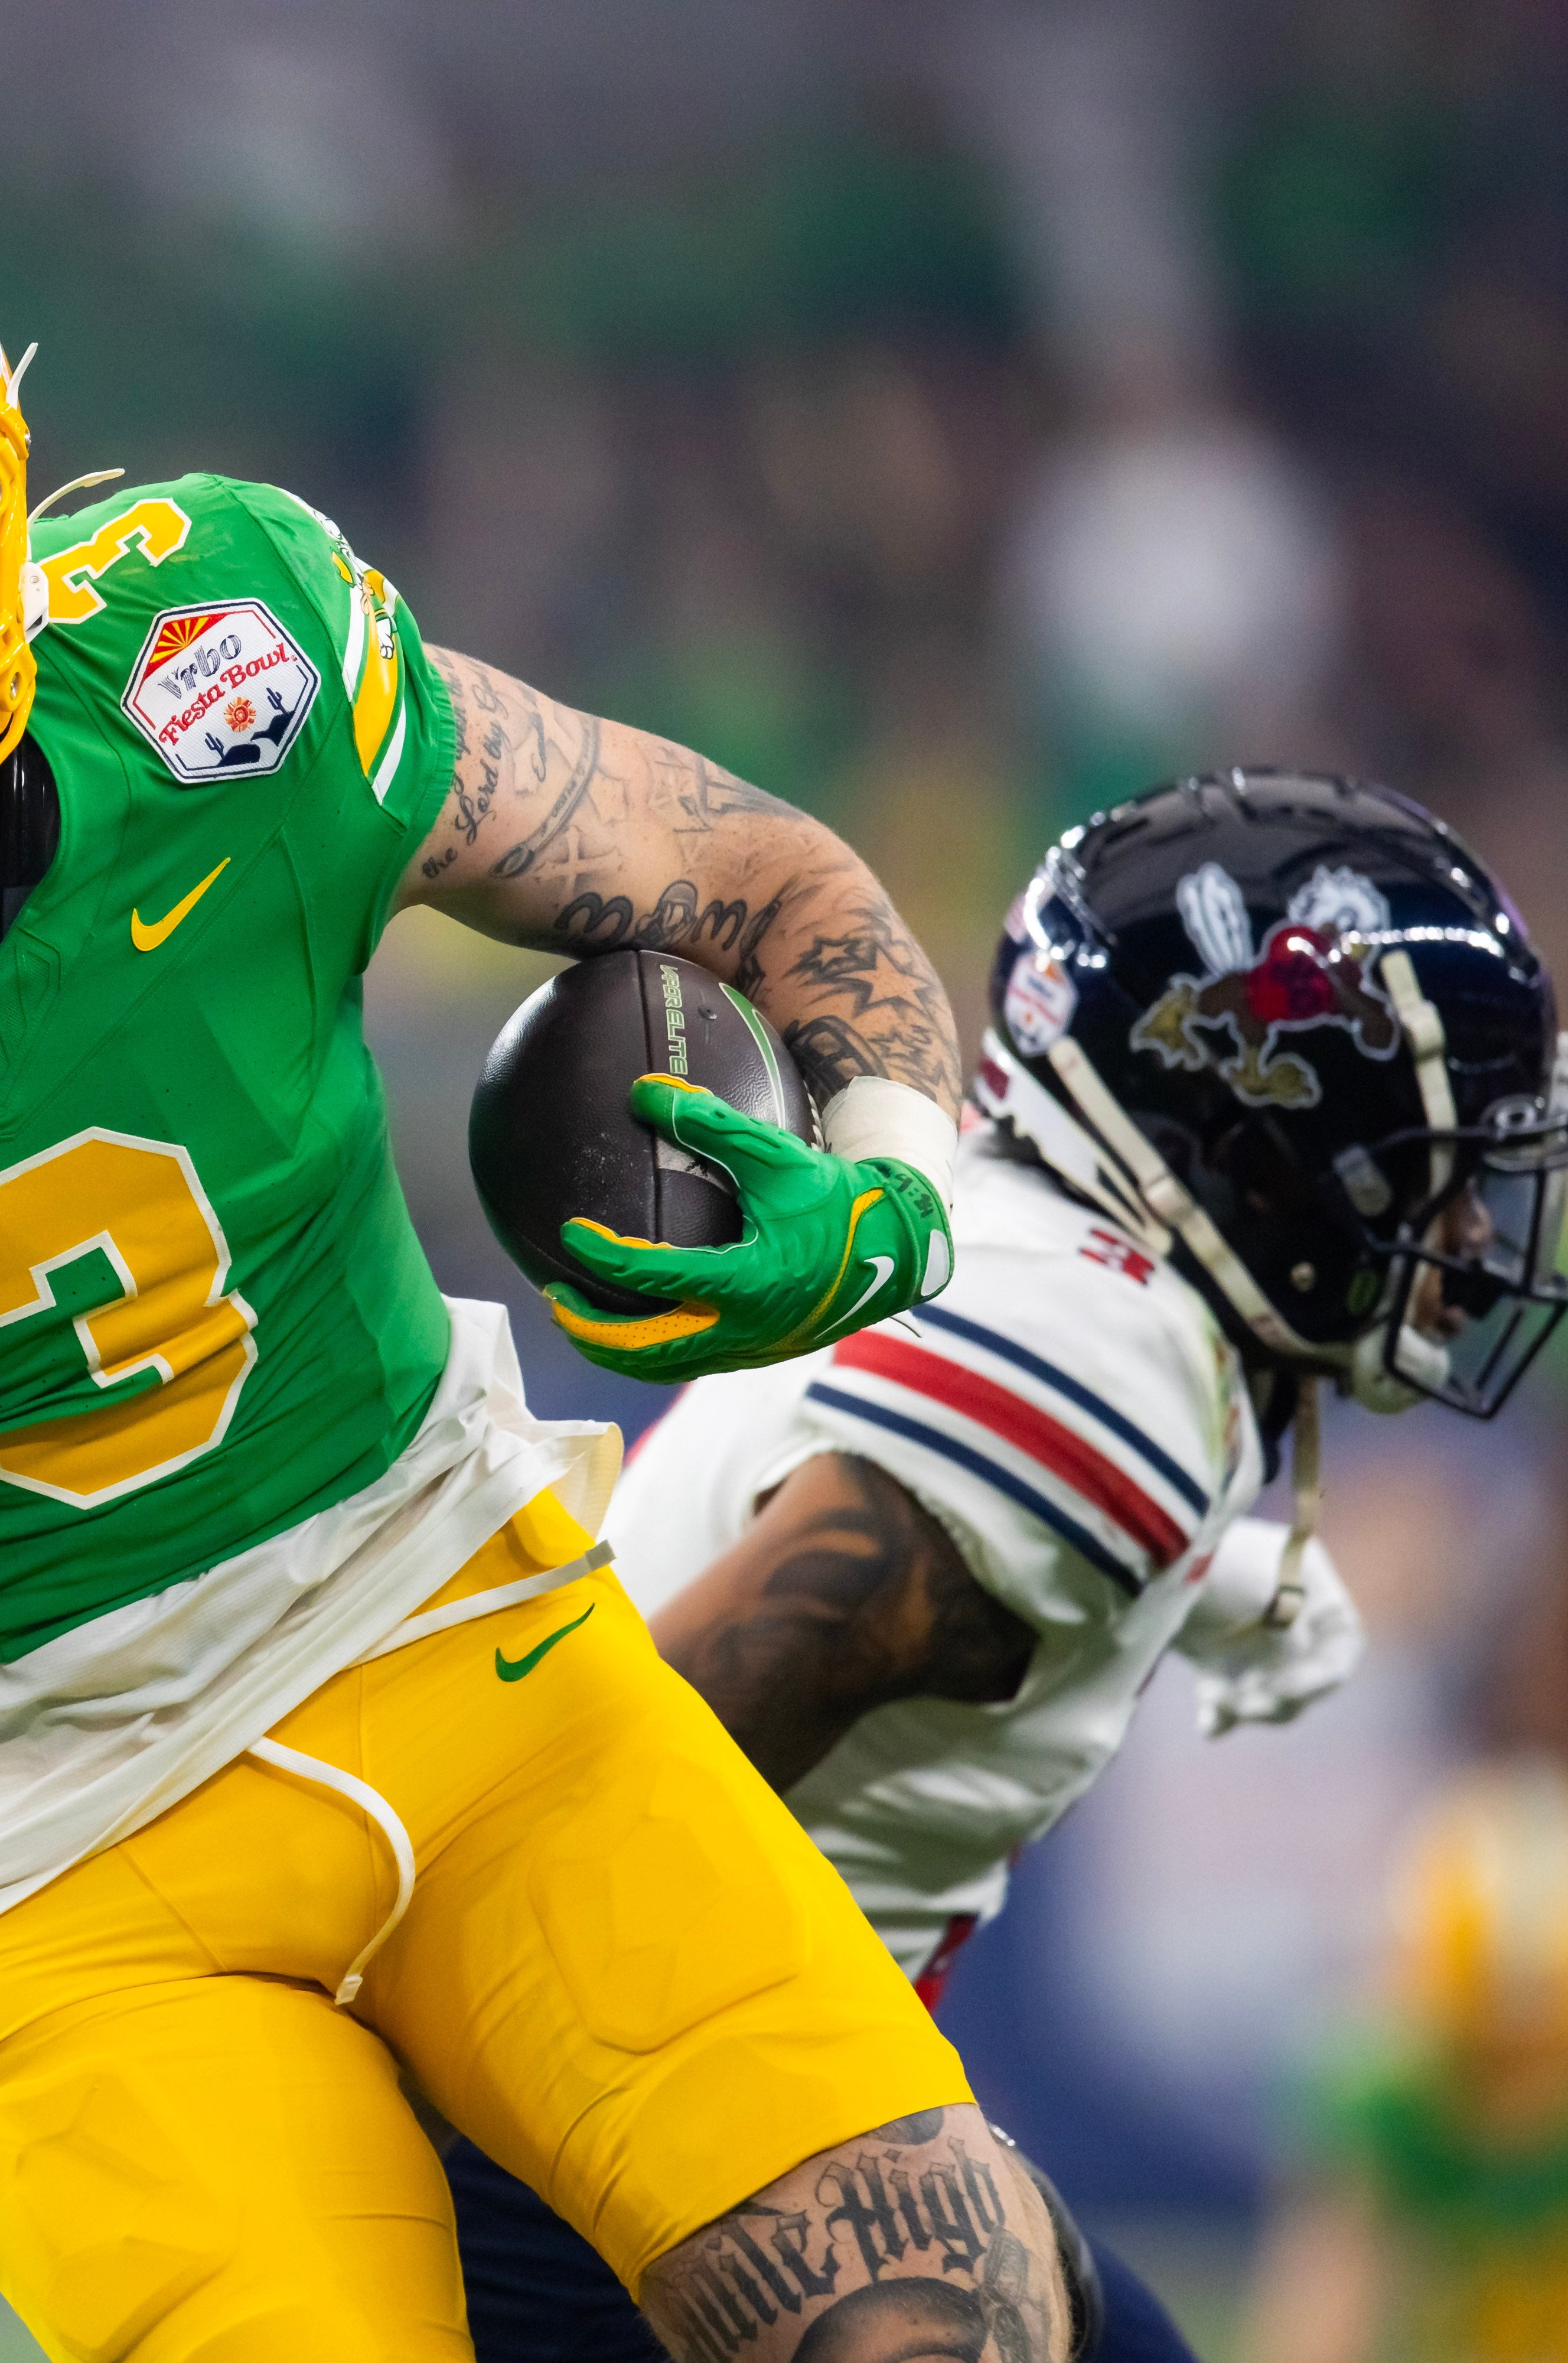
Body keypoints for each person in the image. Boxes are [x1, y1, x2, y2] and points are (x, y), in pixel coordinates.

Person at [0, 177, 1088, 2361]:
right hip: (20, 1829)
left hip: (461, 1638)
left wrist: (887, 1171)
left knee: (933, 2312)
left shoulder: (208, 670)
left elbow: (754, 870)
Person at [445, 771, 1568, 2359]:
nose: (1462, 1239)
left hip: (648, 2083)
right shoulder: (1107, 1383)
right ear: (1262, 1143)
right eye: (1427, 1171)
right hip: (597, 2122)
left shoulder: (1043, 1249)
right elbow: (606, 1795)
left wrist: (1198, 1581)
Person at [1247, 1749, 1568, 2362]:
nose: (1512, 2094)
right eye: (1488, 2055)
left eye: (1538, 2062)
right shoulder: (1386, 2087)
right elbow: (1322, 2310)